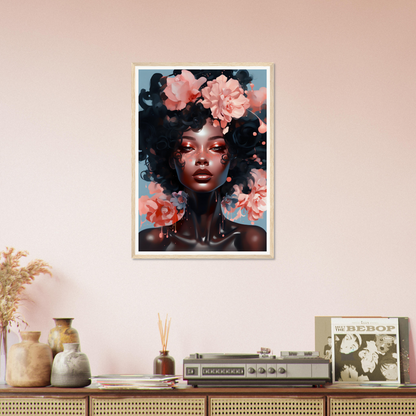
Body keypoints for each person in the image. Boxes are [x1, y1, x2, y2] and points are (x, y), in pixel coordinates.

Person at [138, 69, 268, 251]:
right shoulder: (150, 243)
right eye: (187, 148)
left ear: (233, 158)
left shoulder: (253, 242)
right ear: (170, 159)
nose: (201, 159)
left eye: (215, 148)